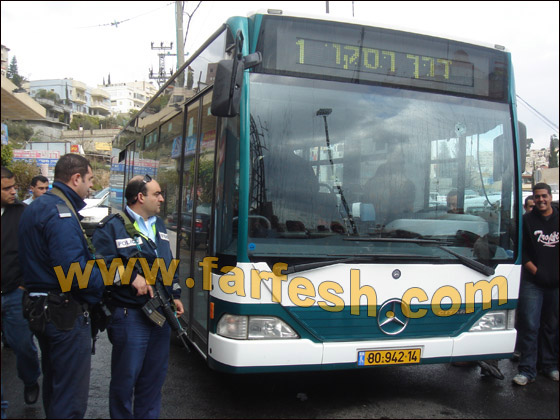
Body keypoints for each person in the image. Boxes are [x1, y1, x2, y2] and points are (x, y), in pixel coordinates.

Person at [18, 154, 105, 418]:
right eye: (90, 179)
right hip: (63, 313)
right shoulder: (61, 213)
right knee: (69, 397)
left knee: (55, 387)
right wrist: (109, 277)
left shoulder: (37, 207)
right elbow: (75, 274)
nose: (91, 186)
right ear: (76, 178)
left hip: (42, 309)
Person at [92, 174, 183, 419]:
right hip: (129, 315)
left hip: (160, 313)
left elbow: (167, 263)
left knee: (153, 380)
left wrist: (174, 294)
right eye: (157, 194)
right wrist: (129, 276)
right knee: (125, 379)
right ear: (140, 197)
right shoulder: (112, 226)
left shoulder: (158, 225)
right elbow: (97, 266)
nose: (162, 199)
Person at [1, 167, 41, 405]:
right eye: (6, 188)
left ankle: (30, 379)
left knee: (23, 344)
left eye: (14, 186)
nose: (13, 191)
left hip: (15, 293)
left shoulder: (22, 213)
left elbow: (35, 251)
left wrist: (24, 286)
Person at [513, 182, 559, 386]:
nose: (541, 200)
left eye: (544, 196)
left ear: (550, 197)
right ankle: (527, 370)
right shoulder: (526, 221)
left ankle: (549, 366)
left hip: (556, 284)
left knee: (552, 326)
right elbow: (521, 251)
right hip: (533, 283)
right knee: (530, 326)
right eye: (537, 196)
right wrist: (536, 272)